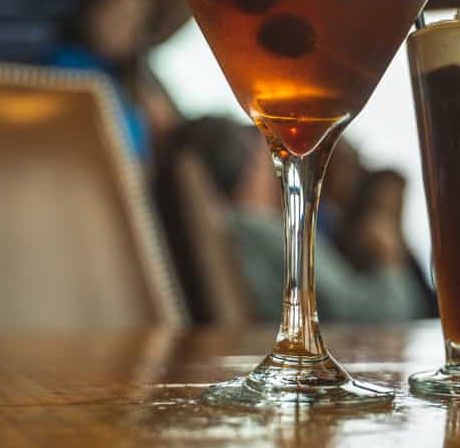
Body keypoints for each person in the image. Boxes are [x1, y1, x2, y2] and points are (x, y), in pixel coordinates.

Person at [157, 116, 432, 322]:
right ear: (250, 163)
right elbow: (375, 316)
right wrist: (388, 258)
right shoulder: (260, 230)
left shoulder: (237, 232)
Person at [48, 0, 155, 164]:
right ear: (91, 9)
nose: (122, 28)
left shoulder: (125, 79)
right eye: (116, 13)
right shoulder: (65, 67)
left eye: (135, 21)